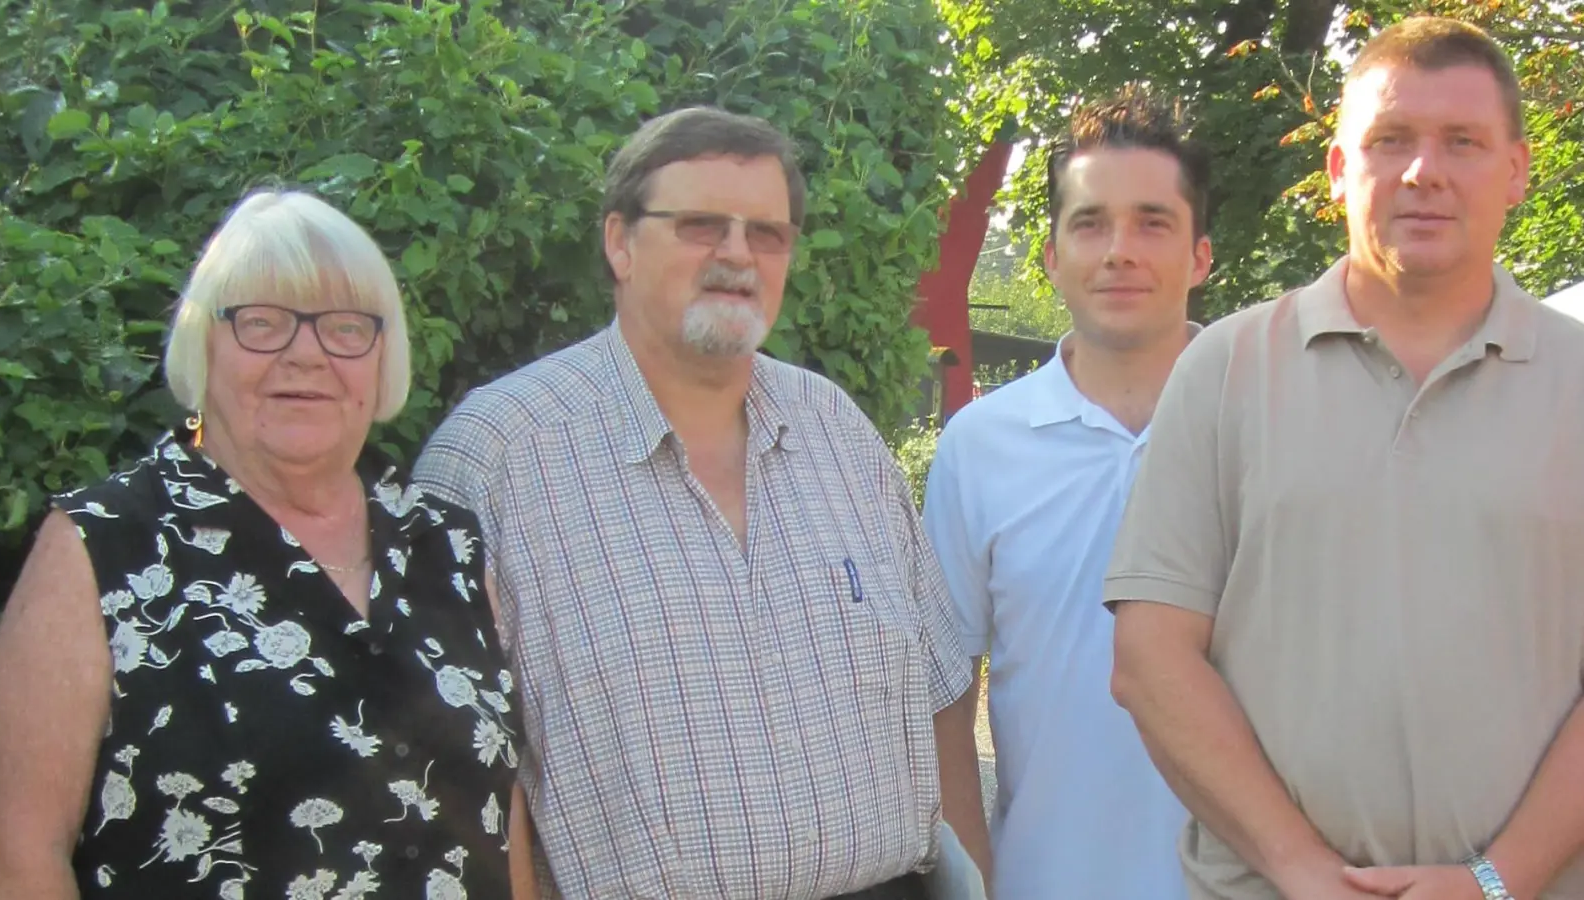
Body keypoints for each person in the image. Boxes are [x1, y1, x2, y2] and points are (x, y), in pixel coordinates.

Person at [413, 106, 990, 899]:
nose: (736, 255)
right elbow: (454, 763)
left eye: (767, 233)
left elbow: (940, 696)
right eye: (698, 225)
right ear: (619, 241)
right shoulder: (497, 458)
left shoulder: (839, 434)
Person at [1104, 16, 1584, 900]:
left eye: (1462, 142)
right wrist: (1301, 870)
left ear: (1516, 170)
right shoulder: (1225, 371)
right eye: (1388, 139)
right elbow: (1151, 659)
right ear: (1336, 170)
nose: (1422, 172)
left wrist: (1494, 882)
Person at [0, 189, 535, 899]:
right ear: (201, 347)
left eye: (344, 328)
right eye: (262, 324)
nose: (304, 355)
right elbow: (14, 854)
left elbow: (498, 817)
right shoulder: (102, 546)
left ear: (381, 359)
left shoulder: (448, 548)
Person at [922, 84, 1209, 899]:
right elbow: (944, 697)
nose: (1118, 249)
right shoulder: (979, 448)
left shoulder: (1269, 425)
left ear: (1200, 256)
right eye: (1089, 222)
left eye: (1152, 221)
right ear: (1049, 255)